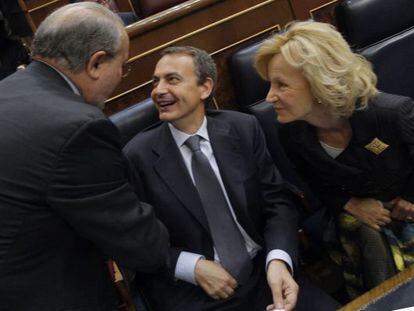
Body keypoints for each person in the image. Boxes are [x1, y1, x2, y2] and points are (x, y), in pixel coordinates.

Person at [123, 46, 340, 311]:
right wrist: (192, 267)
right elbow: (136, 239)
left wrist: (278, 261)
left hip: (263, 273)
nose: (158, 90)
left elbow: (278, 203)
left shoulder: (243, 128)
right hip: (195, 293)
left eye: (172, 79)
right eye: (155, 82)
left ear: (205, 88)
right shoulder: (137, 156)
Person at [0, 3, 169, 311]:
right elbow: (144, 247)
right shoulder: (78, 128)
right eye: (123, 65)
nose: (122, 76)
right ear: (96, 63)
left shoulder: (9, 88)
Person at [255, 20, 414, 299]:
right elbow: (315, 186)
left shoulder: (393, 113)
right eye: (270, 85)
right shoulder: (291, 132)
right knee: (368, 235)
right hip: (353, 220)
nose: (270, 98)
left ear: (318, 83)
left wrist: (411, 199)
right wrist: (351, 204)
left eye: (281, 85)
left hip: (407, 209)